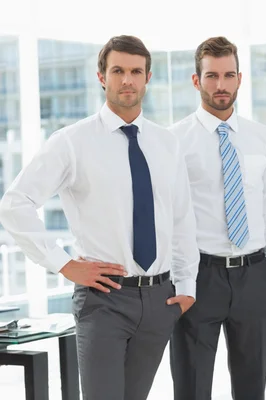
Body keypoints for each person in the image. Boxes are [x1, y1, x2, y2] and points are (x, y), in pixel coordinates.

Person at [0, 35, 198, 400]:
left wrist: (187, 286)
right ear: (101, 76)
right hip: (104, 299)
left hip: (160, 300)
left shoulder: (167, 143)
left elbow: (182, 219)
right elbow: (15, 203)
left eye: (135, 71)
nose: (127, 80)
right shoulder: (72, 142)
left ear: (148, 78)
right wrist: (63, 263)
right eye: (118, 70)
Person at [169, 36, 266, 400]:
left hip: (255, 275)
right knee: (192, 387)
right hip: (199, 277)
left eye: (229, 75)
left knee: (253, 390)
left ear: (239, 78)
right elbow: (168, 215)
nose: (221, 85)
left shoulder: (262, 137)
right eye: (212, 76)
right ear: (196, 80)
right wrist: (182, 279)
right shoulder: (174, 141)